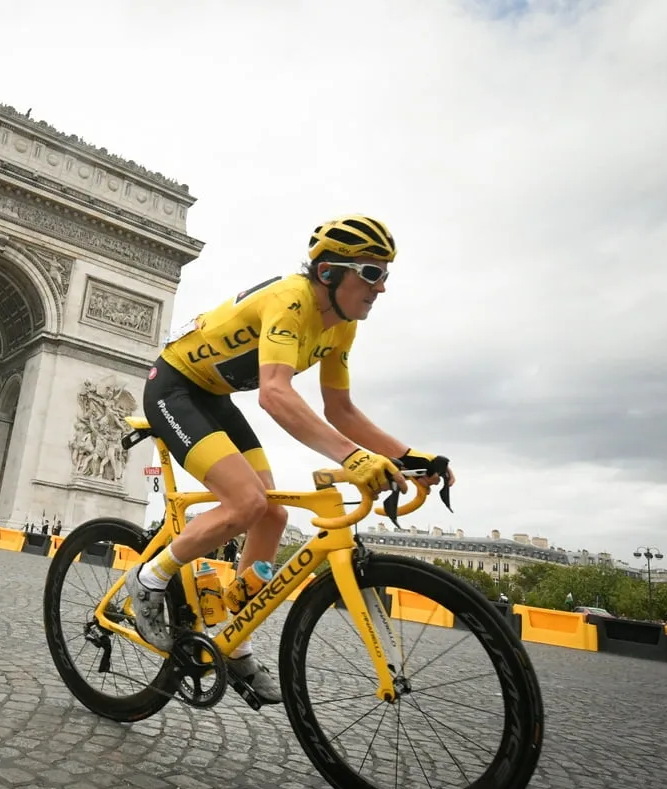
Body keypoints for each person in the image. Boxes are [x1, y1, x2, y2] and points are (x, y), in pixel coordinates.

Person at [130, 215, 454, 702]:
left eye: (385, 273)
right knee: (245, 502)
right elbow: (275, 395)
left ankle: (233, 643)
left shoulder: (341, 328)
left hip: (214, 397)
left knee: (273, 512)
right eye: (370, 272)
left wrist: (409, 456)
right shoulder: (292, 299)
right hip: (174, 388)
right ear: (328, 272)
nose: (382, 287)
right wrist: (354, 458)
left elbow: (340, 410)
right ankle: (148, 580)